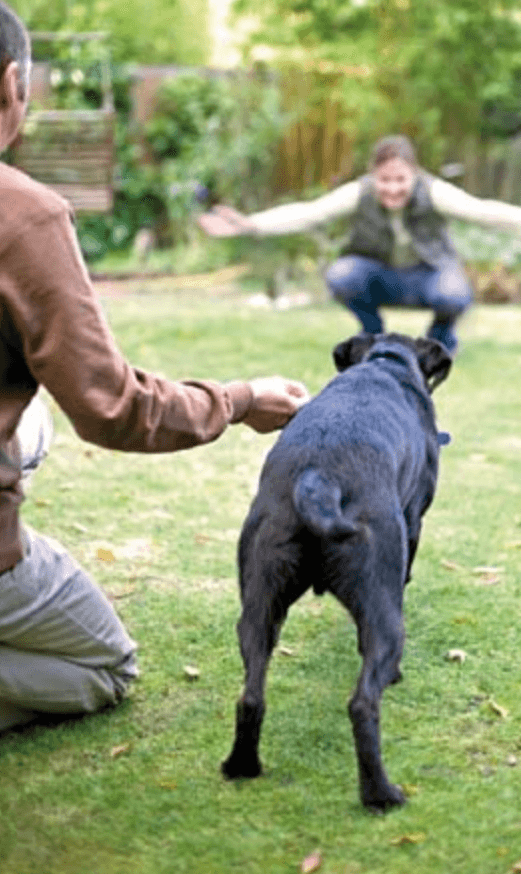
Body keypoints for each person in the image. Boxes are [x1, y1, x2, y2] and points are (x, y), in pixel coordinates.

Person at [0, 2, 309, 734]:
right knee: (104, 666)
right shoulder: (22, 215)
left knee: (29, 410)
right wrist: (239, 399)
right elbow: (114, 407)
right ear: (11, 83)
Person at [199, 134, 521, 354]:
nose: (393, 188)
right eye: (385, 180)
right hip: (379, 275)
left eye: (400, 180)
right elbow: (308, 212)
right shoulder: (359, 193)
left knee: (454, 293)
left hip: (428, 276)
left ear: (413, 174)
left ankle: (440, 340)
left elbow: (483, 211)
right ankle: (372, 335)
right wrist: (250, 225)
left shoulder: (434, 192)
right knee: (342, 273)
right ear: (373, 176)